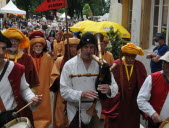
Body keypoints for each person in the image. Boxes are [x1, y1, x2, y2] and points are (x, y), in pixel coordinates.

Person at [60, 32, 118, 128]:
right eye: (86, 47)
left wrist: (109, 89)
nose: (88, 51)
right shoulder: (69, 65)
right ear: (81, 48)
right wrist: (81, 94)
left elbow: (114, 86)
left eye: (91, 47)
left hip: (95, 110)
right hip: (75, 110)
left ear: (95, 49)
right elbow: (64, 91)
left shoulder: (102, 64)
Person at [0, 32, 42, 127]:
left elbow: (24, 89)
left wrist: (32, 98)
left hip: (9, 117)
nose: (1, 52)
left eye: (3, 48)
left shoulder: (16, 68)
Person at [104, 43, 147, 128]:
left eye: (133, 57)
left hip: (133, 103)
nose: (131, 59)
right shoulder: (116, 65)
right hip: (118, 103)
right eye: (129, 56)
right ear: (124, 55)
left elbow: (144, 86)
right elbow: (109, 84)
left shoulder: (139, 65)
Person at [50, 37, 80, 128]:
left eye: (75, 47)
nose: (73, 49)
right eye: (71, 47)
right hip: (62, 95)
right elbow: (54, 76)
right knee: (61, 118)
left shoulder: (82, 61)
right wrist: (65, 80)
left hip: (77, 93)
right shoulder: (59, 60)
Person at [137, 51, 169, 128]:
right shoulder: (152, 78)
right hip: (155, 123)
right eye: (163, 62)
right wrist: (152, 113)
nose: (163, 64)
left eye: (167, 62)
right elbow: (141, 99)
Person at [29, 31, 53, 128]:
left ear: (43, 47)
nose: (38, 48)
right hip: (32, 88)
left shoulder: (48, 57)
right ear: (33, 47)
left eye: (40, 46)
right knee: (33, 106)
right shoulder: (29, 58)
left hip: (45, 87)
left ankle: (45, 124)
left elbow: (52, 72)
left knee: (45, 106)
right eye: (36, 46)